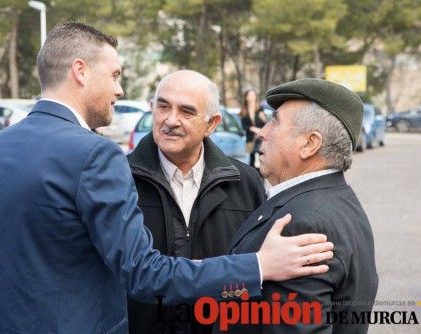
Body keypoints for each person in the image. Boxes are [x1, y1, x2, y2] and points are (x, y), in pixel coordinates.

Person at [0, 23, 334, 334]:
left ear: (211, 124)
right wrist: (259, 266)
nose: (119, 89)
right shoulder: (96, 156)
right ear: (80, 71)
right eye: (115, 75)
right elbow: (144, 272)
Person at [226, 78, 378, 333]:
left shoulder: (301, 224)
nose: (262, 132)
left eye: (275, 122)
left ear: (309, 144)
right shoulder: (337, 200)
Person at [126, 70, 266, 334]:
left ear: (211, 124)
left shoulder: (245, 183)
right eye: (163, 106)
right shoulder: (119, 180)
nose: (170, 120)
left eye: (186, 111)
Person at [239, 88, 266, 169]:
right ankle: (252, 177)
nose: (252, 97)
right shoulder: (243, 110)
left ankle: (261, 177)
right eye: (250, 95)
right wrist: (252, 128)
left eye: (253, 95)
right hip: (250, 138)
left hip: (260, 138)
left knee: (261, 157)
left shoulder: (260, 108)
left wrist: (264, 119)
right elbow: (244, 126)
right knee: (251, 159)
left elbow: (265, 123)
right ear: (246, 97)